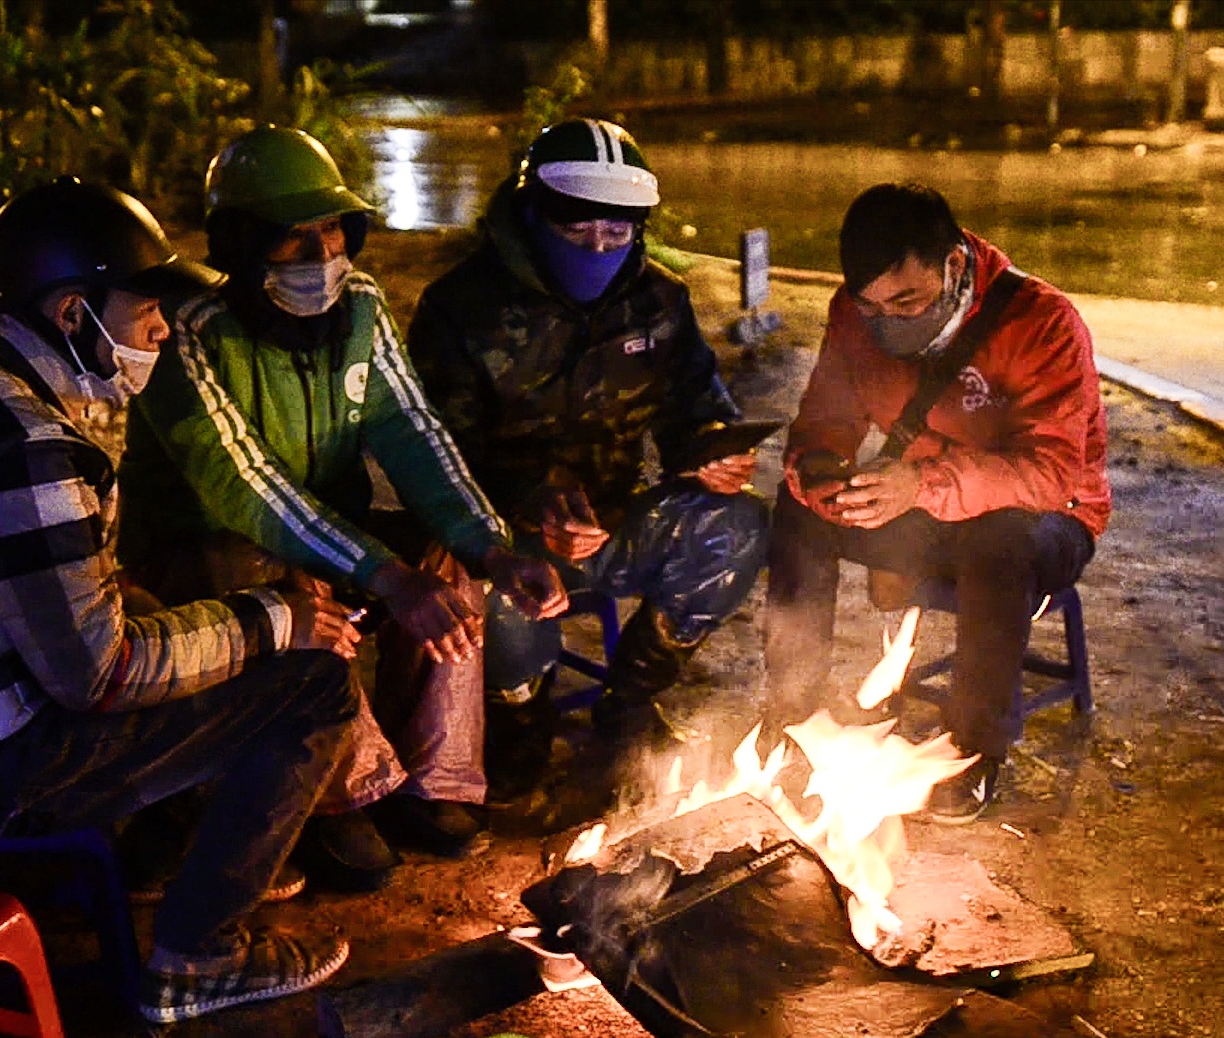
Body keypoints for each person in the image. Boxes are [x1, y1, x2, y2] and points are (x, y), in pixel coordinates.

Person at [0, 176, 366, 1024]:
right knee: (313, 684)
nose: (160, 327)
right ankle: (199, 957)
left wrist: (233, 614)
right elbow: (100, 677)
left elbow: (71, 596)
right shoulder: (30, 452)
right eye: (144, 307)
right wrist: (277, 621)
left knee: (193, 595)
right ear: (74, 314)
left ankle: (152, 856)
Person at [116, 125, 566, 877]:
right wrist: (385, 576)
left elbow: (409, 429)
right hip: (205, 554)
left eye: (332, 231)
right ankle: (339, 796)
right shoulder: (189, 336)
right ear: (239, 243)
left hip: (327, 535)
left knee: (441, 565)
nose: (322, 257)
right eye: (293, 240)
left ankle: (428, 782)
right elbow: (246, 485)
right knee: (299, 594)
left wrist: (490, 546)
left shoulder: (359, 307)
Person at [406, 118, 771, 801]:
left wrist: (710, 452)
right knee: (484, 589)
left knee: (735, 524)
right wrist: (527, 500)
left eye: (617, 232)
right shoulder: (461, 308)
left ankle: (629, 704)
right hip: (501, 536)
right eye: (577, 231)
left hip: (616, 522)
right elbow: (435, 451)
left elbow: (695, 404)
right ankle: (518, 718)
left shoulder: (658, 300)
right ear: (533, 216)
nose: (599, 247)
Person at [762, 181, 1110, 824]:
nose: (888, 323)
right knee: (798, 513)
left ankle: (971, 751)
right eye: (873, 309)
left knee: (1000, 540)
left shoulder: (1042, 322)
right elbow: (824, 420)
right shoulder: (853, 313)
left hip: (1044, 519)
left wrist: (921, 486)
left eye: (907, 303)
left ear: (954, 266)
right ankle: (792, 714)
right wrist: (823, 474)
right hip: (918, 503)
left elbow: (1052, 474)